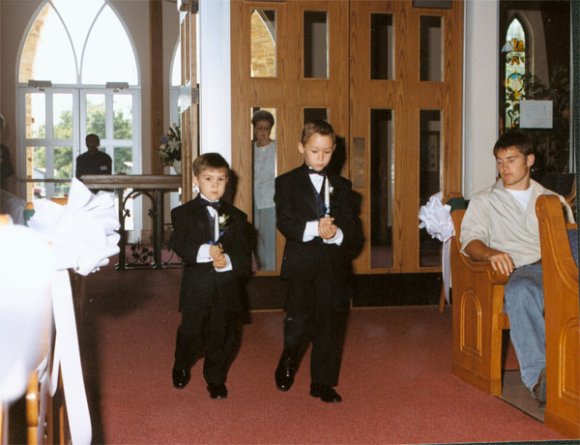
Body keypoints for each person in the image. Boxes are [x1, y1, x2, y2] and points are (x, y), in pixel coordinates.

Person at [460, 131, 574, 405]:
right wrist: (491, 253)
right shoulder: (485, 200)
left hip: (560, 267)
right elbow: (469, 241)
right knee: (521, 290)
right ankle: (540, 380)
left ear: (530, 160)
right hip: (522, 269)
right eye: (499, 161)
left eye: (511, 160)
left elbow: (570, 239)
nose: (504, 168)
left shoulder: (552, 199)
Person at [274, 119, 362, 403]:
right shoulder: (286, 182)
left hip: (333, 267)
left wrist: (336, 234)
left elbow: (354, 232)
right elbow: (285, 222)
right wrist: (315, 228)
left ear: (334, 150)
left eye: (326, 152)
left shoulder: (344, 186)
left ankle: (322, 383)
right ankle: (289, 357)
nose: (321, 158)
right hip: (301, 264)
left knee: (330, 325)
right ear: (301, 148)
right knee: (298, 322)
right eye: (314, 151)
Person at [170, 153, 252, 399]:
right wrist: (206, 251)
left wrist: (227, 261)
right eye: (208, 178)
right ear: (196, 181)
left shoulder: (237, 217)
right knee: (191, 333)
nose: (215, 185)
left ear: (228, 182)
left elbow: (244, 254)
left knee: (222, 334)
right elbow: (180, 244)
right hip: (197, 288)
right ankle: (182, 363)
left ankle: (215, 378)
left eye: (221, 179)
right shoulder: (182, 213)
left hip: (225, 287)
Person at [252, 110, 277, 270]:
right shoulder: (249, 148)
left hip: (271, 201)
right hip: (253, 200)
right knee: (255, 238)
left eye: (266, 128)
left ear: (270, 129)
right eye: (259, 127)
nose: (262, 131)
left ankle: (271, 272)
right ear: (254, 128)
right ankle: (261, 271)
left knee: (270, 239)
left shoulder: (277, 149)